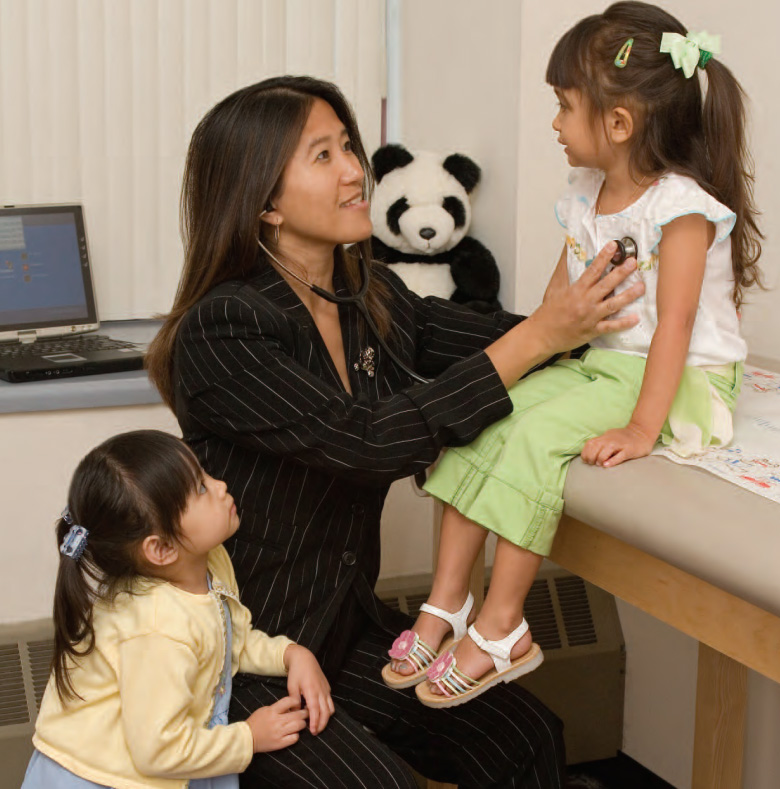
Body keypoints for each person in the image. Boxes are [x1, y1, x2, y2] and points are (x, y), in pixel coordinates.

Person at [145, 75, 643, 788]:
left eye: (349, 144)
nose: (356, 170)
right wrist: (540, 336)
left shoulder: (369, 296)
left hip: (342, 631)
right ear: (263, 200)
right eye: (323, 155)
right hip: (247, 657)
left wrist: (641, 328)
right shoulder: (225, 329)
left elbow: (496, 341)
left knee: (527, 735)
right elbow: (369, 438)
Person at [388, 1, 763, 709]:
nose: (555, 125)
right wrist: (526, 364)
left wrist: (640, 429)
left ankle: (504, 628)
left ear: (618, 124)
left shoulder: (679, 208)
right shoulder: (586, 194)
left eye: (564, 107)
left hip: (681, 380)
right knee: (478, 419)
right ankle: (448, 603)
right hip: (603, 362)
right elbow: (561, 306)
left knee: (529, 437)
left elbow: (675, 329)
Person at [22, 430, 333, 789]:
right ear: (161, 549)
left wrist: (292, 654)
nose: (220, 486)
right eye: (200, 488)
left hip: (162, 757)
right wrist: (249, 737)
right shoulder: (157, 628)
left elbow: (229, 637)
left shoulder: (208, 561)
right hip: (104, 778)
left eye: (204, 474)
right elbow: (160, 750)